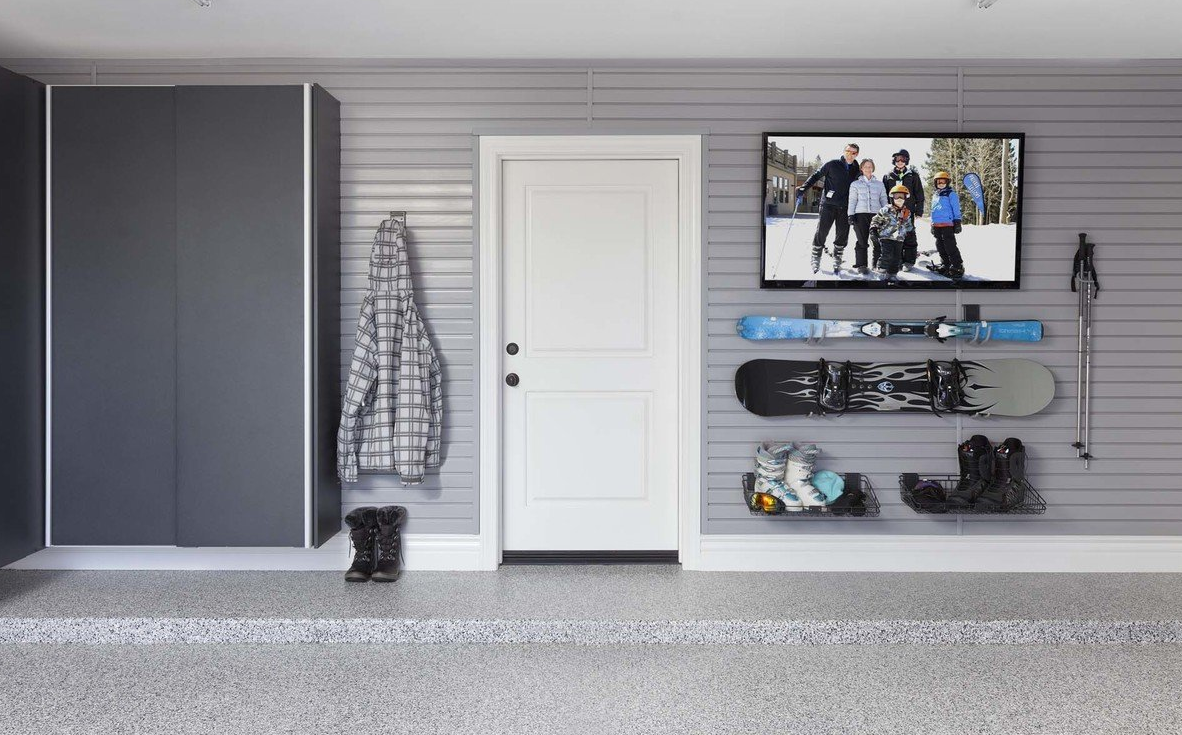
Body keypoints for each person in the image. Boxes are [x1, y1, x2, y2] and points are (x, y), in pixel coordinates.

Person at [796, 143, 861, 274]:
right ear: (844, 151)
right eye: (848, 151)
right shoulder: (832, 164)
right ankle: (815, 257)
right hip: (828, 205)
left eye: (854, 153)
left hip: (845, 206)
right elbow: (816, 175)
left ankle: (837, 257)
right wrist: (804, 187)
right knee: (822, 231)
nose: (850, 155)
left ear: (857, 154)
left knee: (842, 233)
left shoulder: (856, 169)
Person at [881, 149, 924, 271]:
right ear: (894, 160)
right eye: (897, 159)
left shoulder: (913, 175)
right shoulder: (888, 176)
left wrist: (919, 210)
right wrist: (885, 209)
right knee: (895, 234)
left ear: (907, 160)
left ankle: (909, 261)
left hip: (908, 210)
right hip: (893, 211)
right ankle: (897, 260)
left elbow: (919, 194)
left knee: (909, 233)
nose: (900, 161)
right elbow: (883, 194)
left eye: (903, 159)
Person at [847, 158, 887, 275]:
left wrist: (886, 214)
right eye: (866, 166)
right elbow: (852, 200)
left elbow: (883, 199)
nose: (868, 169)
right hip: (860, 215)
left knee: (877, 240)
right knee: (862, 240)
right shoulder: (855, 184)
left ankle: (877, 264)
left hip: (876, 215)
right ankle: (862, 265)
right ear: (861, 168)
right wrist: (851, 214)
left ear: (873, 168)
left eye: (870, 166)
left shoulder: (879, 184)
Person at [869, 184, 915, 280]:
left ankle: (892, 274)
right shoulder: (886, 209)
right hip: (886, 237)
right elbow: (876, 219)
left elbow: (908, 224)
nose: (899, 199)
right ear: (892, 198)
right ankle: (881, 271)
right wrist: (873, 229)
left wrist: (910, 232)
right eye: (896, 196)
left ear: (905, 198)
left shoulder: (907, 212)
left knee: (896, 257)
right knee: (887, 255)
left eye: (901, 196)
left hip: (899, 238)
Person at [928, 171, 965, 279]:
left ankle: (957, 266)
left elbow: (956, 208)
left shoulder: (951, 194)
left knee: (950, 246)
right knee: (940, 245)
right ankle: (946, 264)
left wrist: (957, 221)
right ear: (935, 183)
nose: (941, 183)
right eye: (939, 182)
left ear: (947, 182)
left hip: (948, 224)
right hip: (937, 225)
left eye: (943, 182)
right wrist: (932, 224)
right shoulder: (935, 195)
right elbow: (933, 210)